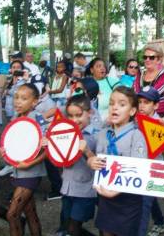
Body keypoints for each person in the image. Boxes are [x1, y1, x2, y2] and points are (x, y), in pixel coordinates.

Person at [87, 86, 150, 236]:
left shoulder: (136, 136)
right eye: (111, 103)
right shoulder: (103, 134)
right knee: (106, 232)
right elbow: (96, 159)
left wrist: (117, 190)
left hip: (128, 199)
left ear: (132, 111)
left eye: (122, 104)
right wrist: (91, 161)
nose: (115, 107)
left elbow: (139, 169)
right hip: (105, 197)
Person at [0, 83, 47, 236]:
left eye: (24, 98)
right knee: (30, 212)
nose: (18, 101)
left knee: (12, 215)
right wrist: (3, 152)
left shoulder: (37, 119)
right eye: (16, 97)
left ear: (34, 101)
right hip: (17, 172)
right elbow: (13, 145)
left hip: (30, 174)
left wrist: (29, 164)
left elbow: (47, 150)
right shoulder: (15, 118)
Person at [57, 94, 99, 236]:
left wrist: (86, 150)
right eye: (70, 116)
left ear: (90, 113)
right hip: (67, 187)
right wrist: (49, 146)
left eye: (79, 115)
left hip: (85, 191)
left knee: (73, 227)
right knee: (67, 225)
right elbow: (59, 160)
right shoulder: (65, 133)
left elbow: (100, 163)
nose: (74, 120)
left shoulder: (96, 135)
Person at [136, 86, 164, 236]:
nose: (141, 105)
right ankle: (160, 222)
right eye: (139, 101)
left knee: (143, 204)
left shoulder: (160, 123)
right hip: (136, 166)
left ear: (156, 105)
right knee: (148, 198)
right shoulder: (134, 118)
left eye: (146, 102)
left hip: (151, 169)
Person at [133, 44, 164, 116]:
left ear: (159, 60)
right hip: (139, 120)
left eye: (151, 57)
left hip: (160, 121)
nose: (147, 60)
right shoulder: (138, 76)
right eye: (145, 57)